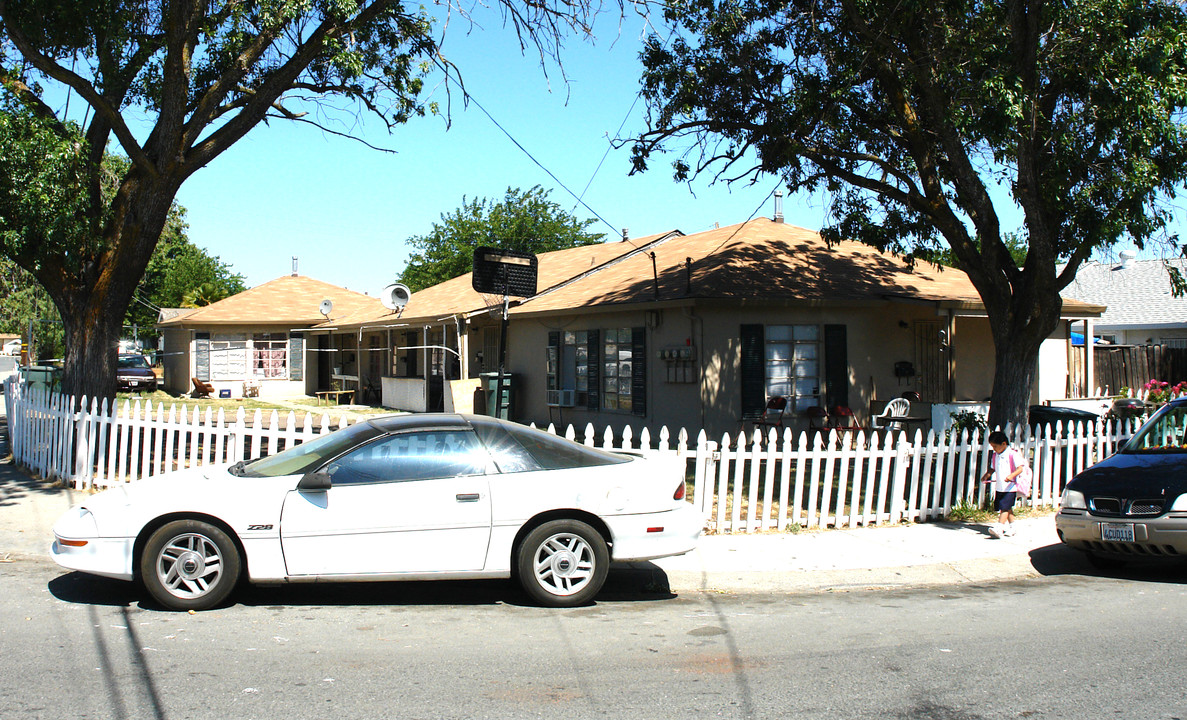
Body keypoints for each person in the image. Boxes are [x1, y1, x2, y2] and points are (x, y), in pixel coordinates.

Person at [980, 430, 1026, 538]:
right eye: (992, 446)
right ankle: (1013, 527)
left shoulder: (1012, 454)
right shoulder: (996, 456)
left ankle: (999, 528)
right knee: (1007, 507)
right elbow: (993, 468)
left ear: (1004, 444)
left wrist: (1011, 476)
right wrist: (987, 475)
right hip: (1000, 487)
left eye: (995, 446)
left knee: (1004, 507)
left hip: (1011, 487)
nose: (994, 449)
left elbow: (1020, 468)